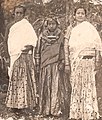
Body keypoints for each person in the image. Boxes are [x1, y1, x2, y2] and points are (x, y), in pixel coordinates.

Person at [64, 6, 102, 120]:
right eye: (78, 13)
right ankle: (77, 113)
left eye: (82, 13)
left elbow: (97, 46)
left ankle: (89, 112)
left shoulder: (90, 28)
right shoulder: (72, 29)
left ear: (85, 15)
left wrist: (97, 61)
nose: (80, 15)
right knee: (77, 86)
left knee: (89, 85)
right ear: (74, 15)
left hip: (89, 61)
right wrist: (68, 62)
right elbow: (69, 46)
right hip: (76, 61)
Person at [5, 5, 38, 117]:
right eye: (16, 13)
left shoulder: (27, 26)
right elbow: (8, 42)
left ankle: (25, 105)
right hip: (14, 56)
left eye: (20, 13)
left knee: (25, 80)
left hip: (25, 56)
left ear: (24, 15)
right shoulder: (11, 26)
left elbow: (33, 40)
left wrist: (28, 47)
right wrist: (9, 55)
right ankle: (14, 105)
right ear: (14, 14)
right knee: (15, 80)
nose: (18, 15)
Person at [36, 17, 69, 119]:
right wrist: (37, 64)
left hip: (56, 64)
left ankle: (55, 110)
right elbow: (37, 50)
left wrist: (62, 62)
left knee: (55, 87)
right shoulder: (42, 36)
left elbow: (63, 49)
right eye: (49, 24)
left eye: (53, 24)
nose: (51, 26)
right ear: (47, 25)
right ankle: (45, 110)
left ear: (56, 24)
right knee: (45, 86)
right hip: (45, 65)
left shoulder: (60, 35)